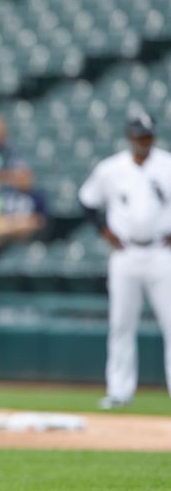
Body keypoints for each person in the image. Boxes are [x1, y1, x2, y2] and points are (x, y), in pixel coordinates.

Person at [78, 112, 171, 410]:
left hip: (161, 253)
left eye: (147, 136)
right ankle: (119, 391)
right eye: (138, 136)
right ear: (130, 137)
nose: (143, 141)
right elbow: (87, 201)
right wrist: (104, 231)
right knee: (121, 324)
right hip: (125, 254)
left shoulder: (167, 165)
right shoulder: (111, 169)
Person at [0, 165, 47, 273]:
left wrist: (17, 221)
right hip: (7, 227)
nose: (20, 179)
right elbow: (0, 215)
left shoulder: (37, 196)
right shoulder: (8, 195)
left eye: (23, 176)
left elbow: (40, 220)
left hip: (26, 229)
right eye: (17, 177)